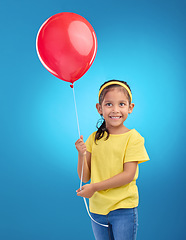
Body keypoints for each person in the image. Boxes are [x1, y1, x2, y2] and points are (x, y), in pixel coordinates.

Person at [75, 80, 149, 240]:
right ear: (99, 108)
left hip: (123, 209)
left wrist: (94, 187)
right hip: (98, 209)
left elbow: (128, 175)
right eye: (109, 104)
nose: (115, 110)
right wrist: (81, 154)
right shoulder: (93, 138)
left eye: (121, 104)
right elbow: (84, 177)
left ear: (130, 107)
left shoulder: (133, 138)